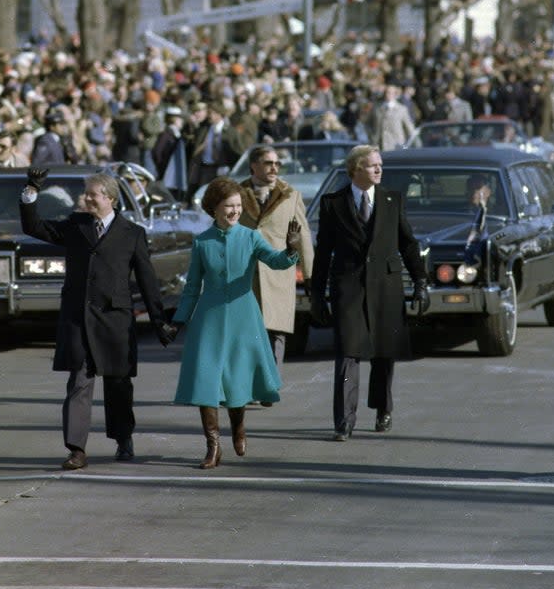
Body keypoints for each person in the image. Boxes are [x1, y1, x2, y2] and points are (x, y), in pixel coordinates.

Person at [19, 168, 177, 468]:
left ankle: (123, 438)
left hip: (115, 319)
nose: (86, 199)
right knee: (79, 381)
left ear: (110, 199)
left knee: (118, 383)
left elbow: (147, 280)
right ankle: (76, 449)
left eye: (92, 194)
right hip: (78, 318)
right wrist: (30, 191)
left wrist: (159, 321)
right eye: (86, 194)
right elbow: (34, 227)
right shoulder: (75, 226)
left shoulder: (132, 234)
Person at [172, 177, 302, 468]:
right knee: (207, 380)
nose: (234, 211)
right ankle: (213, 445)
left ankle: (239, 429)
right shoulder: (202, 242)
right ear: (214, 208)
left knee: (237, 379)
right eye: (228, 205)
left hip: (244, 316)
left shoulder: (250, 236)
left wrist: (291, 250)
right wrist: (179, 320)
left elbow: (276, 261)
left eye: (238, 206)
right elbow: (192, 286)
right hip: (209, 317)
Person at [310, 145, 429, 442]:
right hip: (348, 287)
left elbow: (408, 244)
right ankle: (344, 420)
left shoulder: (392, 200)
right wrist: (316, 294)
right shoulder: (332, 203)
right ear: (355, 170)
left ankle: (382, 408)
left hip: (386, 286)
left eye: (380, 165)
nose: (379, 169)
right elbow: (323, 252)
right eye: (372, 165)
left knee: (383, 352)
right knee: (348, 352)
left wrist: (420, 282)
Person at [238, 145, 314, 375]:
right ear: (254, 165)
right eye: (268, 163)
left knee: (276, 331)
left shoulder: (290, 194)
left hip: (278, 272)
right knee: (247, 331)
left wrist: (310, 274)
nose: (274, 168)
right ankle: (252, 383)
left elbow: (303, 235)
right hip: (245, 274)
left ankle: (271, 382)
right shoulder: (236, 193)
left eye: (277, 164)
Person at [371, 84, 416, 151]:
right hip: (379, 146)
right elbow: (367, 123)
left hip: (396, 146)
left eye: (391, 93)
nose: (388, 95)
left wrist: (408, 145)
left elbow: (409, 128)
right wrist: (372, 136)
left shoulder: (402, 109)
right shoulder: (377, 108)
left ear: (395, 95)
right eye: (387, 92)